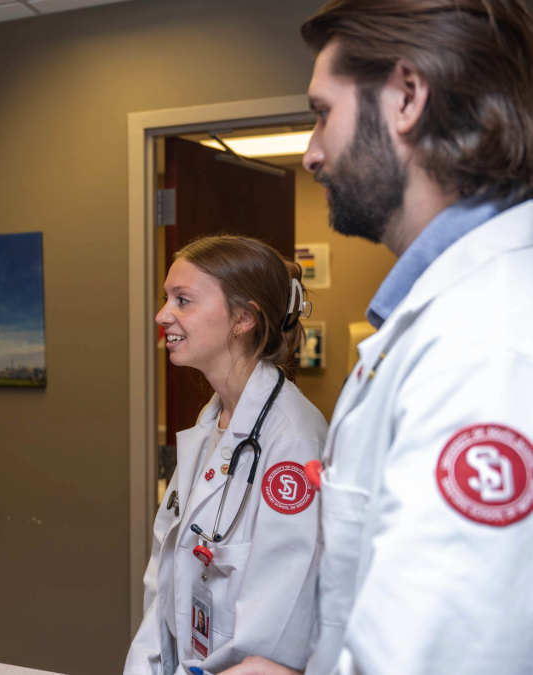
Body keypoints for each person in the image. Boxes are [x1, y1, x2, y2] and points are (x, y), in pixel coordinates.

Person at [221, 1, 533, 674]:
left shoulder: (485, 343)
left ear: (406, 97)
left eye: (321, 112)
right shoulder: (442, 315)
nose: (309, 152)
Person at [124, 236, 328, 675]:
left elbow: (277, 638)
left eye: (183, 300)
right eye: (166, 298)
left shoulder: (293, 441)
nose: (163, 315)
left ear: (242, 319)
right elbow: (166, 572)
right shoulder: (213, 418)